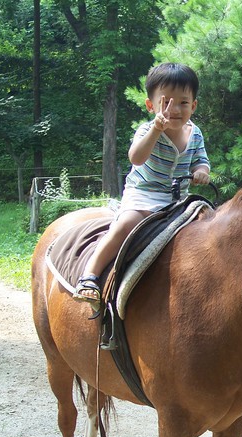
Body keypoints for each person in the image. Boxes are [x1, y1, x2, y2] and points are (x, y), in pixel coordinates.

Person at [74, 62, 211, 302]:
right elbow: (136, 158)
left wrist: (201, 171)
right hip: (145, 194)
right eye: (166, 102)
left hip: (179, 199)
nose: (175, 109)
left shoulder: (195, 133)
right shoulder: (146, 130)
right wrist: (156, 130)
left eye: (183, 102)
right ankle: (90, 274)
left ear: (194, 105)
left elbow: (201, 160)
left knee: (210, 225)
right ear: (151, 105)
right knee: (127, 224)